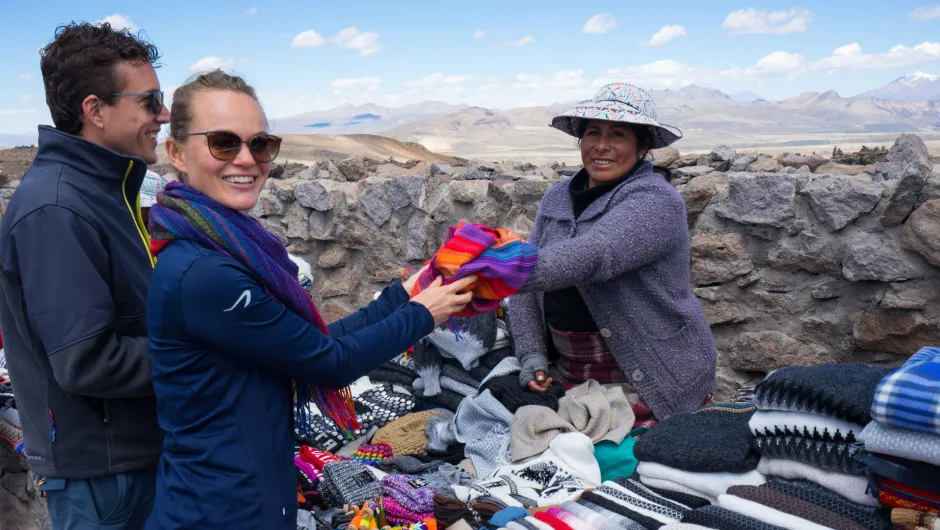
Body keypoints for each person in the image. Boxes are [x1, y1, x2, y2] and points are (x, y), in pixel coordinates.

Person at [144, 70, 475, 529]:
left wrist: (404, 293)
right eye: (224, 142)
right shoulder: (207, 272)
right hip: (220, 507)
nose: (247, 159)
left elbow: (307, 342)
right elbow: (327, 361)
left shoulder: (225, 246)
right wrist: (424, 313)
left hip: (241, 489)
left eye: (260, 144)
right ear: (177, 152)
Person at [0, 22, 169, 529]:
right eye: (149, 101)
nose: (162, 115)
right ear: (95, 110)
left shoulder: (104, 191)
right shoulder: (57, 207)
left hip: (130, 460)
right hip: (105, 476)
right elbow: (87, 362)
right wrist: (207, 353)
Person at [509, 82, 717, 425]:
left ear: (643, 144)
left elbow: (595, 254)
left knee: (613, 467)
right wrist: (532, 354)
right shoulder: (558, 197)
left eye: (618, 135)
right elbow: (526, 290)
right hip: (570, 369)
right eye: (593, 133)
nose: (601, 146)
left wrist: (498, 268)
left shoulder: (655, 200)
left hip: (647, 373)